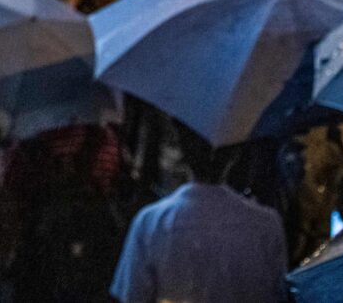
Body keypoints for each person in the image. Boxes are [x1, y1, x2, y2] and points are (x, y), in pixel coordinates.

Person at [110, 128, 288, 303]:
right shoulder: (266, 224)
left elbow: (132, 294)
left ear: (183, 150)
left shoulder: (151, 222)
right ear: (234, 155)